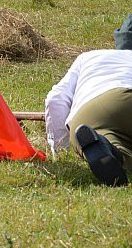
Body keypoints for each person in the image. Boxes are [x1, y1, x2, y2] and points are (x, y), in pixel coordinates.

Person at [44, 14, 132, 186]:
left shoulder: (90, 57)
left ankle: (112, 153)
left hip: (97, 108)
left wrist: (61, 150)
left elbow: (55, 100)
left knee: (101, 138)